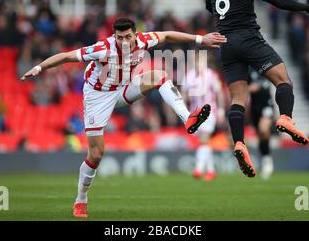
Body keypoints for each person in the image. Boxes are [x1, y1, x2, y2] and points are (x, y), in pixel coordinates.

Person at [20, 17, 226, 217]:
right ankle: (81, 199)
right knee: (96, 155)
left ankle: (187, 117)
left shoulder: (144, 40)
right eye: (119, 38)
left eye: (128, 37)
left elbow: (167, 35)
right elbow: (66, 56)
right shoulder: (103, 48)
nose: (124, 41)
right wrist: (39, 68)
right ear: (114, 36)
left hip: (123, 88)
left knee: (159, 76)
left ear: (135, 35)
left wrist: (200, 40)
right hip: (98, 96)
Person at [205, 0, 309, 178]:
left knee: (238, 99)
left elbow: (211, 8)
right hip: (249, 39)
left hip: (226, 44)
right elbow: (278, 1)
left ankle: (239, 143)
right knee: (283, 81)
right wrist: (306, 7)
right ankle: (285, 118)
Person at [182, 53, 225, 181]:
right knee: (204, 141)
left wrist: (221, 110)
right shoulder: (188, 76)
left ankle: (199, 169)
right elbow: (183, 94)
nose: (198, 64)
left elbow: (219, 93)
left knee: (204, 138)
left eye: (200, 61)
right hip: (195, 114)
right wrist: (183, 112)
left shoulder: (211, 75)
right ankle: (211, 170)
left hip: (210, 112)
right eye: (196, 61)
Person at [248, 68, 274, 180]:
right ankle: (265, 158)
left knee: (264, 129)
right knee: (260, 135)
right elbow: (243, 86)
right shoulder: (248, 70)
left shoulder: (266, 66)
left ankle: (267, 159)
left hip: (267, 104)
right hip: (255, 107)